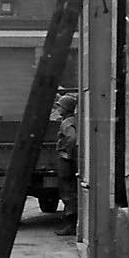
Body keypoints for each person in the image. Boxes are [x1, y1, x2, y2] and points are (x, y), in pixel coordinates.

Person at [54, 94, 79, 237]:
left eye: (60, 106)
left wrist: (68, 154)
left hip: (66, 161)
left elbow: (72, 138)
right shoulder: (72, 120)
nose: (58, 108)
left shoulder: (67, 123)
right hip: (70, 160)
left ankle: (71, 224)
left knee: (67, 191)